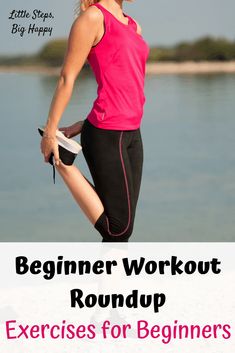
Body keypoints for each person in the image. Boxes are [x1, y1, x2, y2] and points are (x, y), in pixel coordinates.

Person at [40, 0, 150, 242]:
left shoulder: (133, 26)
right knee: (118, 229)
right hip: (107, 134)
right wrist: (50, 132)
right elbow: (67, 78)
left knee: (121, 230)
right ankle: (62, 161)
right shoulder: (92, 18)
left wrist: (84, 123)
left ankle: (111, 280)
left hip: (132, 132)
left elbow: (126, 83)